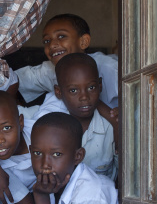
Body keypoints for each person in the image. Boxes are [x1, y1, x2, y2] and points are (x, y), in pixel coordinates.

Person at [37, 52, 118, 182]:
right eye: (73, 90)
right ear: (58, 92)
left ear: (100, 85)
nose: (84, 97)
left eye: (91, 87)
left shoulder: (111, 127)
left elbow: (126, 173)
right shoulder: (49, 126)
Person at [16, 13, 118, 113]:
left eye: (61, 36)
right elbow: (13, 81)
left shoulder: (111, 68)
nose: (52, 45)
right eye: (47, 41)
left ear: (83, 42)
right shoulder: (50, 69)